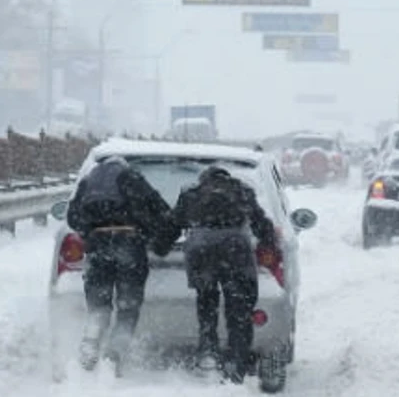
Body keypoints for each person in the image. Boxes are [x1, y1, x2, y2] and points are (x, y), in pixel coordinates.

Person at [162, 165, 278, 383]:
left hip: (200, 251)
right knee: (239, 309)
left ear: (203, 179)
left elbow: (173, 225)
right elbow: (261, 224)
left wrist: (159, 246)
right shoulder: (242, 191)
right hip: (236, 251)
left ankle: (208, 353)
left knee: (207, 303)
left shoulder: (192, 194)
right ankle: (237, 361)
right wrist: (269, 243)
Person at [66, 156, 171, 373]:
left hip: (97, 246)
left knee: (99, 304)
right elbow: (160, 208)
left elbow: (72, 217)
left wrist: (91, 230)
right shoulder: (132, 177)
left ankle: (90, 341)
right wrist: (152, 234)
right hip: (130, 244)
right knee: (127, 306)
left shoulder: (89, 180)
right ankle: (114, 357)